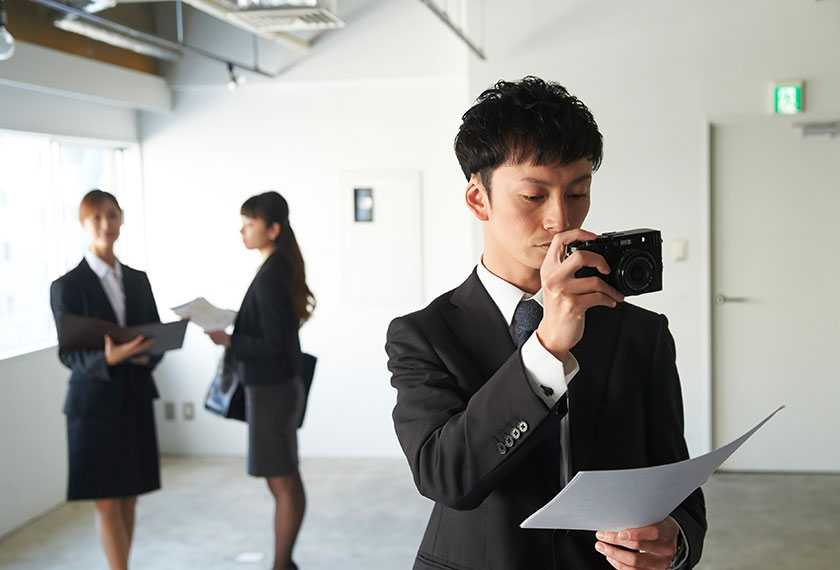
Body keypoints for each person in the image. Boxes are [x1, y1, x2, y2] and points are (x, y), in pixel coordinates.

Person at [385, 77, 706, 570]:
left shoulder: (640, 332)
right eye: (533, 196)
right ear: (478, 200)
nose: (560, 218)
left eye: (578, 192)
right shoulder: (424, 335)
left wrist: (674, 539)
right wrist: (547, 348)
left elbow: (674, 483)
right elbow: (445, 478)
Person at [49, 190, 162, 570]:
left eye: (112, 216)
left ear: (122, 220)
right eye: (96, 218)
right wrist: (107, 358)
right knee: (107, 499)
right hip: (94, 404)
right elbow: (69, 353)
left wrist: (148, 353)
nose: (105, 225)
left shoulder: (138, 280)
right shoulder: (67, 286)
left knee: (130, 495)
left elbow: (156, 336)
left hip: (134, 397)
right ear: (83, 225)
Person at [206, 191, 315, 570]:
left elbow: (271, 342)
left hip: (271, 390)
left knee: (282, 480)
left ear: (272, 229)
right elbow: (276, 329)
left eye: (249, 223)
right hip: (277, 388)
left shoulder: (272, 273)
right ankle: (284, 562)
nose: (242, 230)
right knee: (284, 477)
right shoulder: (277, 266)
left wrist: (229, 339)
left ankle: (281, 564)